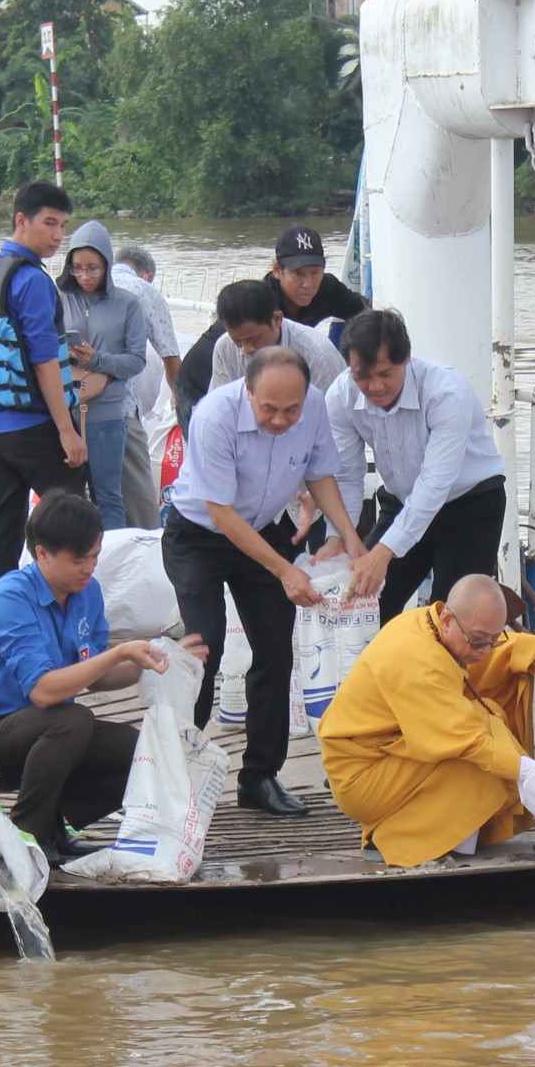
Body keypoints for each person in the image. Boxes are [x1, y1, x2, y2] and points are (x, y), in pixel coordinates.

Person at [164, 346, 367, 817]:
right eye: (269, 409)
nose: (280, 420)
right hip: (200, 533)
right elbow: (220, 511)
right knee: (203, 647)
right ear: (247, 391)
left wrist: (351, 540)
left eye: (290, 410)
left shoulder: (313, 405)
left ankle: (259, 777)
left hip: (263, 527)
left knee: (276, 649)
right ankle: (180, 773)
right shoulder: (214, 415)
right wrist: (284, 568)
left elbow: (321, 477)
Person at [0, 493, 201, 864]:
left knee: (142, 751)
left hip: (49, 730)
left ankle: (57, 823)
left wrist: (156, 658)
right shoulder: (11, 597)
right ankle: (27, 834)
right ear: (42, 554)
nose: (89, 567)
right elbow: (42, 690)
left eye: (95, 556)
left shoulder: (88, 594)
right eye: (78, 559)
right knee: (72, 721)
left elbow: (94, 678)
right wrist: (118, 652)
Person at [321, 574, 535, 866]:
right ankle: (396, 836)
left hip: (390, 756)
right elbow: (470, 742)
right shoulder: (417, 660)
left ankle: (453, 835)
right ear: (448, 619)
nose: (485, 651)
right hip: (362, 778)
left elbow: (497, 646)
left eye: (491, 640)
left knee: (493, 713)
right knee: (486, 759)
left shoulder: (433, 624)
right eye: (478, 642)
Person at [322, 310, 508, 621]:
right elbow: (347, 476)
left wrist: (383, 552)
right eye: (362, 376)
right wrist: (339, 536)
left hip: (469, 505)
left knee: (451, 619)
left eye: (384, 374)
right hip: (401, 500)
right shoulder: (340, 396)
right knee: (365, 606)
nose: (374, 387)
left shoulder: (447, 392)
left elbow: (435, 484)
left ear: (406, 359)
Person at [0, 181, 88, 584]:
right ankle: (66, 601)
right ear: (21, 220)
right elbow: (43, 360)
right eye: (50, 223)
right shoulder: (33, 279)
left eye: (63, 226)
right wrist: (67, 431)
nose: (57, 236)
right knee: (68, 521)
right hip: (36, 427)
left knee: (3, 521)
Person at [56, 220, 148, 531]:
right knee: (65, 497)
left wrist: (98, 360)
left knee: (108, 495)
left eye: (93, 268)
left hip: (108, 413)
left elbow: (136, 361)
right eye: (78, 268)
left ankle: (112, 565)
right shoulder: (58, 298)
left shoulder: (128, 304)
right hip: (63, 412)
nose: (84, 276)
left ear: (107, 265)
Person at [112, 244, 179, 530]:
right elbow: (172, 358)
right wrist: (181, 411)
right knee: (139, 495)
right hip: (122, 410)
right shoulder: (143, 290)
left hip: (74, 407)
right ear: (147, 274)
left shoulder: (81, 283)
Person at [206, 279, 347, 395]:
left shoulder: (318, 356)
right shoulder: (224, 347)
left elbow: (330, 417)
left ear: (277, 319)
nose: (246, 349)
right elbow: (220, 403)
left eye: (253, 339)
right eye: (238, 342)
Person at [266, 224, 365, 341]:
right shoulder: (263, 301)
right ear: (277, 270)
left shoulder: (328, 288)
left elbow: (366, 314)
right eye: (298, 274)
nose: (308, 284)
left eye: (315, 273)